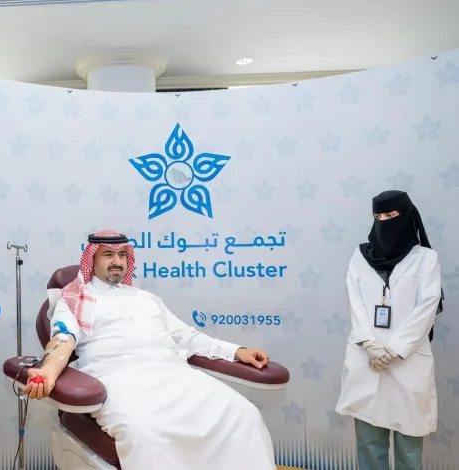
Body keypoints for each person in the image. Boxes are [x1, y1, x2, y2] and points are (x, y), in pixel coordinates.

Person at [23, 229, 277, 470]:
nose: (117, 262)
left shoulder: (146, 299)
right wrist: (48, 373)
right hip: (117, 378)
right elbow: (62, 340)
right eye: (108, 254)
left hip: (175, 374)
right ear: (92, 259)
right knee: (145, 432)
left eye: (122, 255)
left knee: (243, 414)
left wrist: (237, 351)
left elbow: (186, 337)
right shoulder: (75, 299)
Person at [335, 190, 444, 470]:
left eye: (391, 215)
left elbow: (427, 306)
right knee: (369, 443)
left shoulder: (426, 258)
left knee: (409, 446)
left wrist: (394, 349)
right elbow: (355, 303)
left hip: (407, 361)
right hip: (367, 358)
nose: (384, 221)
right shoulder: (359, 256)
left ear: (406, 216)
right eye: (378, 216)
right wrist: (370, 344)